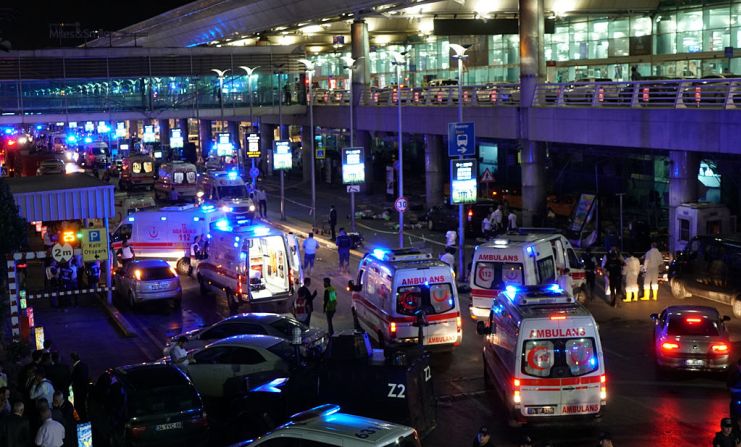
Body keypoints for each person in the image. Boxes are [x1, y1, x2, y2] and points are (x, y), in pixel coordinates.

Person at [69, 353, 88, 420]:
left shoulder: (76, 368)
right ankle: (84, 417)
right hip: (84, 390)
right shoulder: (84, 365)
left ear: (72, 359)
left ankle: (80, 418)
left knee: (78, 405)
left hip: (78, 391)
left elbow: (73, 379)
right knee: (83, 404)